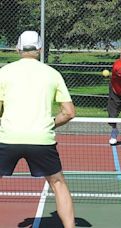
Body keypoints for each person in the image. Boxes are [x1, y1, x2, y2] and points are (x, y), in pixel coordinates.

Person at [0, 31, 76, 228]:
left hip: (8, 138)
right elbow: (68, 112)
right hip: (42, 139)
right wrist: (50, 123)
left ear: (17, 48)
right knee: (58, 184)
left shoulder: (4, 72)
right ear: (40, 49)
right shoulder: (53, 74)